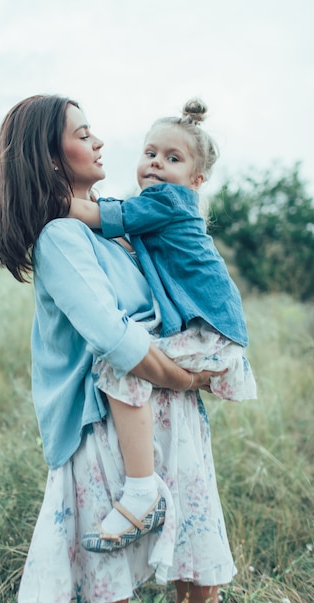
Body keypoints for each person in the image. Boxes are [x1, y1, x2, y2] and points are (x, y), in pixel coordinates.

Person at [0, 93, 236, 603]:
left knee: (200, 583)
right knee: (106, 600)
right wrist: (189, 378)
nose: (99, 141)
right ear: (52, 159)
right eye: (81, 135)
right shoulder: (60, 236)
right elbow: (116, 341)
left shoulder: (119, 235)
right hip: (110, 435)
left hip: (171, 422)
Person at [71, 99, 256, 550]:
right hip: (213, 328)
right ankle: (143, 486)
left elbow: (100, 217)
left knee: (124, 362)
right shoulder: (161, 204)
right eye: (150, 152)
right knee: (133, 358)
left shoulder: (168, 200)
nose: (156, 163)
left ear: (196, 180)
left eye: (173, 159)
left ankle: (141, 495)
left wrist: (42, 196)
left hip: (212, 330)